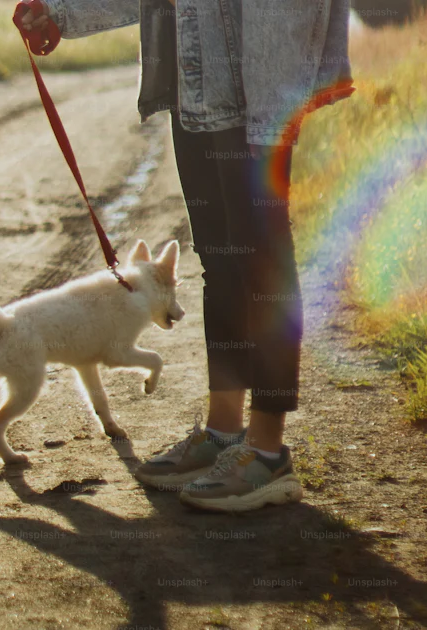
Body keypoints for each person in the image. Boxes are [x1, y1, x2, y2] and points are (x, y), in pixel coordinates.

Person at [20, 0, 353, 511]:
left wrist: (278, 99)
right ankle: (223, 434)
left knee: (260, 262)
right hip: (195, 80)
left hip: (258, 78)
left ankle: (267, 452)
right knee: (220, 262)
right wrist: (61, 13)